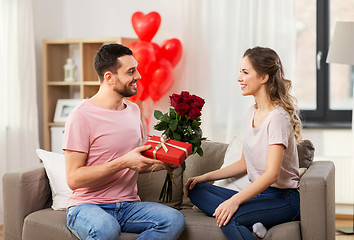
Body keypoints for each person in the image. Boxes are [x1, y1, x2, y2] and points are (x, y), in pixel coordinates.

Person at [63, 43, 185, 240]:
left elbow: (136, 162)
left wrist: (166, 161)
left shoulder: (134, 110)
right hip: (87, 206)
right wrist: (123, 162)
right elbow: (73, 179)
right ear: (109, 78)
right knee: (106, 228)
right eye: (131, 71)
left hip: (128, 205)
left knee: (174, 219)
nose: (138, 76)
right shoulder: (80, 116)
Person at [185, 46, 302, 240]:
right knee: (195, 189)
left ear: (264, 77)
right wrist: (204, 177)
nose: (239, 78)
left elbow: (272, 174)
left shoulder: (277, 117)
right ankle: (256, 221)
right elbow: (244, 164)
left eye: (245, 72)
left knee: (229, 216)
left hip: (284, 199)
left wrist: (234, 201)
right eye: (240, 72)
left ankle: (250, 218)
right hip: (258, 195)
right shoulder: (251, 113)